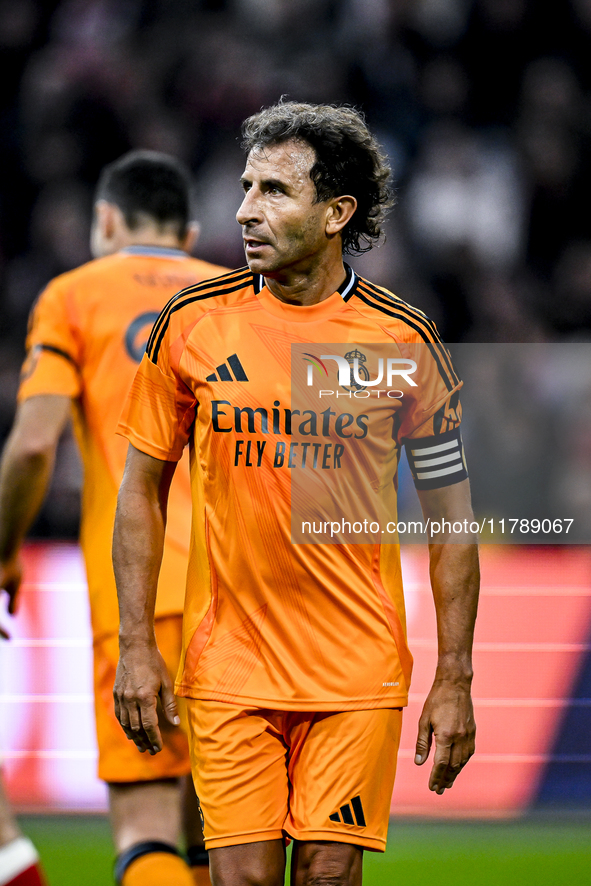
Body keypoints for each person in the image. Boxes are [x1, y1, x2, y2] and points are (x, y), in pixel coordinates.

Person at [112, 102, 480, 886]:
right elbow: (141, 488)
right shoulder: (192, 324)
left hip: (356, 668)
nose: (245, 209)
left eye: (274, 191)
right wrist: (136, 642)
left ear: (336, 212)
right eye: (246, 187)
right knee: (239, 879)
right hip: (229, 663)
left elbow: (452, 521)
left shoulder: (401, 341)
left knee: (326, 875)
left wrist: (454, 677)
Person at [0, 150, 228, 886]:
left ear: (104, 220)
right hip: (247, 590)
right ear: (188, 232)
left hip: (144, 589)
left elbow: (34, 445)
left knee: (146, 819)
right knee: (221, 832)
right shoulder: (234, 297)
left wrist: (4, 554)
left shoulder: (72, 295)